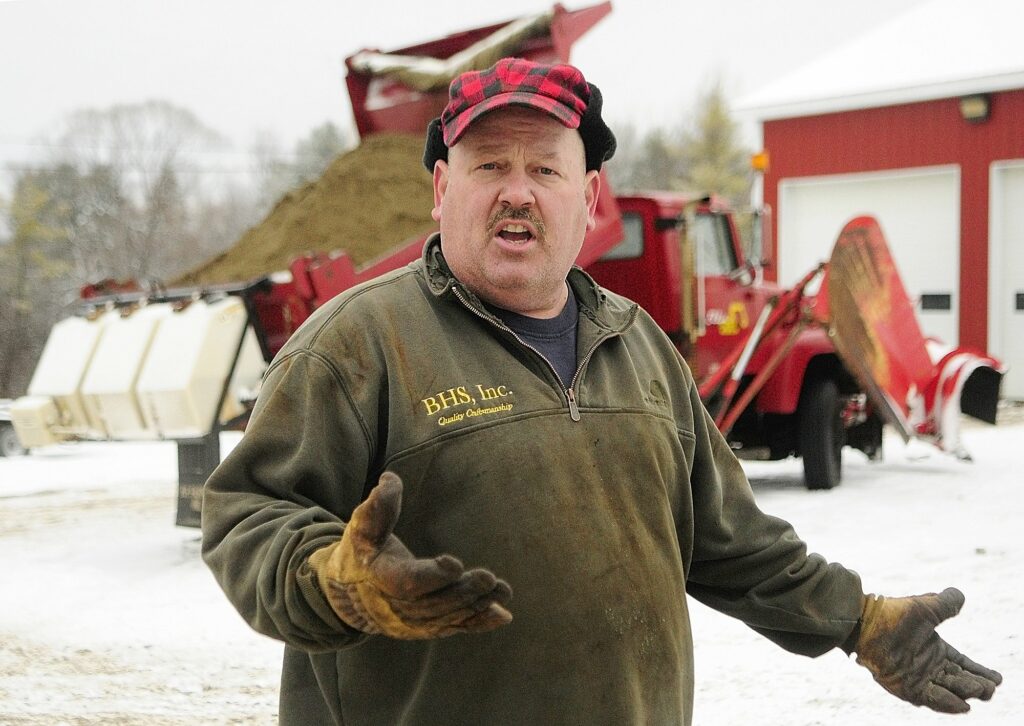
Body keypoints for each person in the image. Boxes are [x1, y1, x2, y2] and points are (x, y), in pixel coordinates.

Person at [201, 58, 1002, 725]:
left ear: (586, 200)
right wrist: (335, 581)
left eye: (544, 167)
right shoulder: (358, 345)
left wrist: (859, 621)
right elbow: (249, 515)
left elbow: (728, 541)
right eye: (489, 166)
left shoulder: (639, 344)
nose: (517, 191)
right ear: (441, 191)